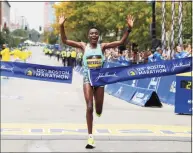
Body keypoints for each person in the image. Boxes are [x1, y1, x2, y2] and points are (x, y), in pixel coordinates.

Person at [59, 14, 134, 149]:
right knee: (89, 107)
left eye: (96, 34)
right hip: (88, 78)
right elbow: (65, 40)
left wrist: (128, 29)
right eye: (91, 33)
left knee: (98, 108)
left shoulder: (103, 46)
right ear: (88, 36)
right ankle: (90, 137)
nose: (94, 35)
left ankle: (98, 109)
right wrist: (61, 26)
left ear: (98, 36)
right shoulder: (83, 46)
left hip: (100, 79)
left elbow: (121, 43)